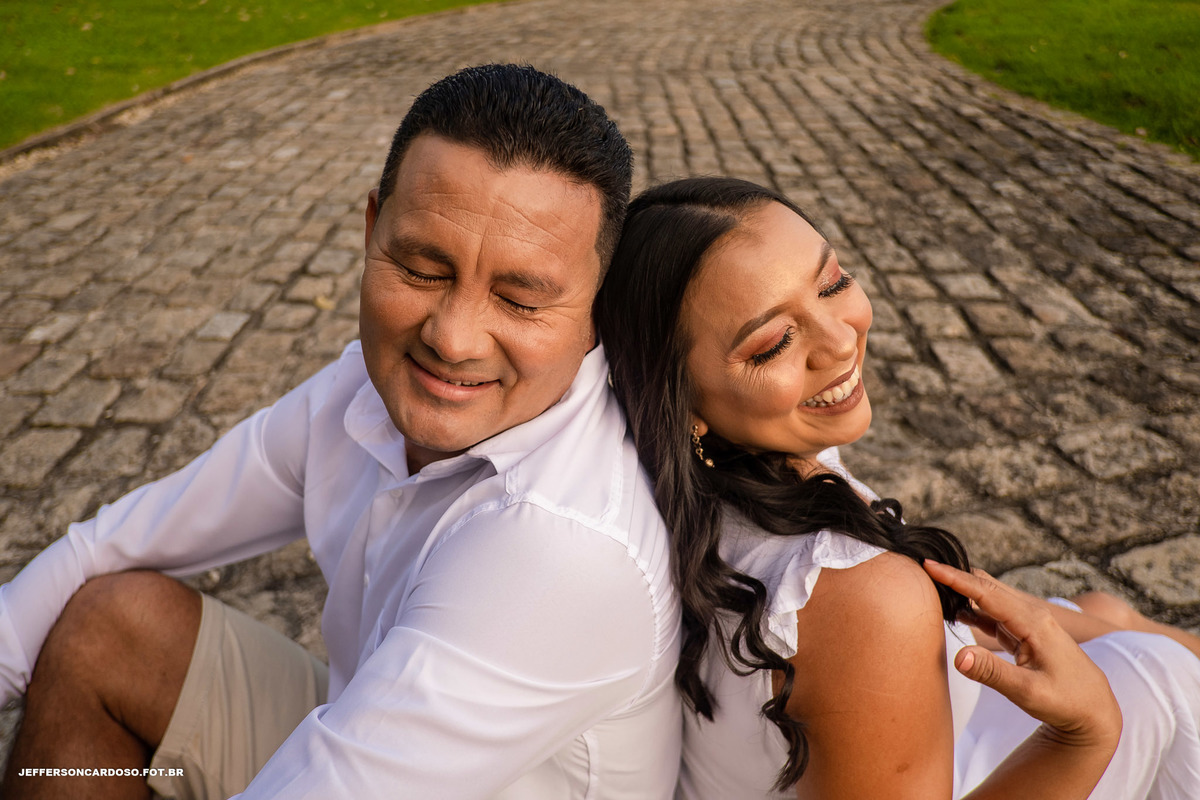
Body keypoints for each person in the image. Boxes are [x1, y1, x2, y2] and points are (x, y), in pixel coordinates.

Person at [0, 64, 682, 799]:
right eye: (422, 268)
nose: (453, 339)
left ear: (595, 313)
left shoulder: (563, 547)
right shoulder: (358, 391)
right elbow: (114, 540)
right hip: (365, 734)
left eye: (519, 301)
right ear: (371, 228)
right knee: (109, 624)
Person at [594, 176, 1200, 798]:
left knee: (1108, 616)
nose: (839, 341)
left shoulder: (721, 482)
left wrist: (1112, 622)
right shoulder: (858, 596)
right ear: (679, 401)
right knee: (1166, 678)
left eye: (832, 283)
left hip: (908, 740)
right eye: (774, 343)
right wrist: (1084, 735)